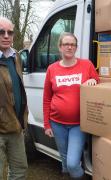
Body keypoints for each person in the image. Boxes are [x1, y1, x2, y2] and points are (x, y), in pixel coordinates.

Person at [43, 32, 99, 179]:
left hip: (78, 124)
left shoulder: (86, 65)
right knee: (64, 158)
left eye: (72, 44)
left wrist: (93, 82)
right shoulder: (52, 69)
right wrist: (47, 124)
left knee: (73, 163)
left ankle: (78, 176)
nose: (69, 47)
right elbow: (47, 98)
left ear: (76, 47)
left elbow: (99, 87)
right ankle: (66, 175)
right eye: (66, 44)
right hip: (57, 123)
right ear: (60, 47)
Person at [0, 17, 28, 179]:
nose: (6, 36)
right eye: (1, 32)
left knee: (19, 171)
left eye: (9, 32)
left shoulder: (15, 56)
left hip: (15, 126)